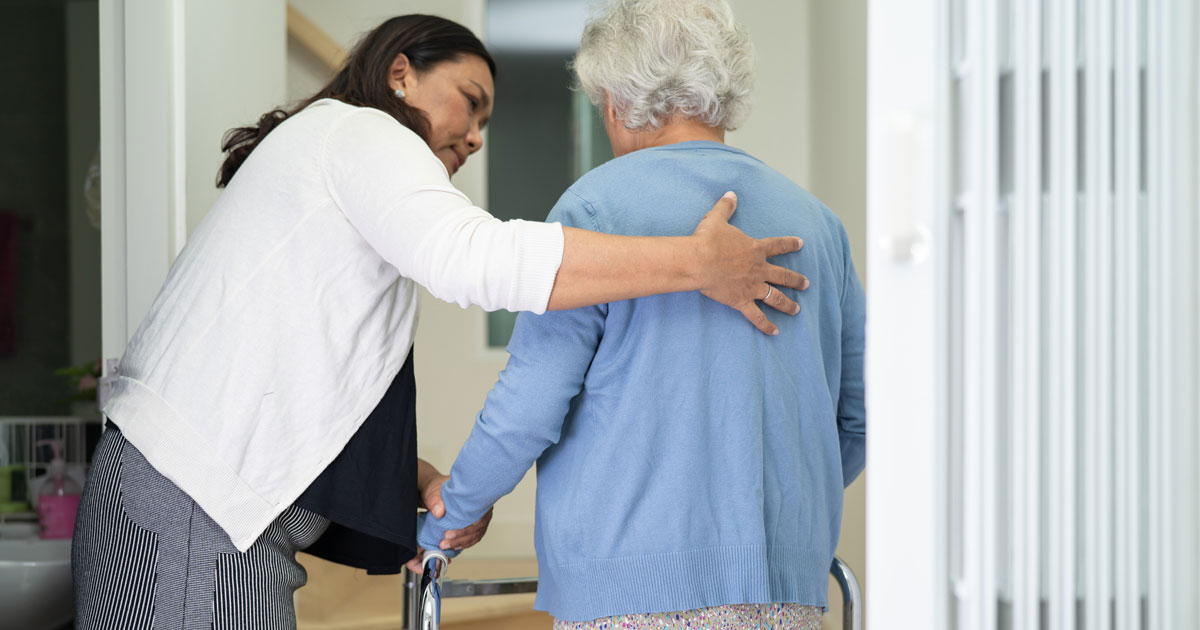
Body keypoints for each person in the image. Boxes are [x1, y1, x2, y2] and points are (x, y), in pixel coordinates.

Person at [71, 13, 809, 629]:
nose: (477, 134)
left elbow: (311, 378)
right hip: (192, 509)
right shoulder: (361, 134)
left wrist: (424, 482)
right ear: (401, 74)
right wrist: (697, 262)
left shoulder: (344, 168)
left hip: (201, 509)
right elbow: (477, 260)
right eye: (469, 99)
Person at [415, 1, 867, 628]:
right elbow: (853, 418)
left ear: (613, 96)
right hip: (791, 587)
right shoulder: (820, 225)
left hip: (629, 592)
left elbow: (529, 403)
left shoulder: (596, 210)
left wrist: (453, 514)